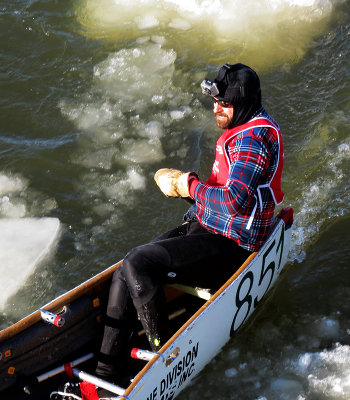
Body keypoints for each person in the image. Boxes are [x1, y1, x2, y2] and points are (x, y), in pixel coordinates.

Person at [95, 63, 284, 384]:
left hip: (235, 244)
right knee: (126, 270)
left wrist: (189, 186)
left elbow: (233, 201)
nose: (216, 108)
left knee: (139, 263)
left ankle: (164, 356)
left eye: (224, 103)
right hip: (211, 227)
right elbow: (225, 196)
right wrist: (184, 190)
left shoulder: (252, 141)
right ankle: (104, 371)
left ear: (244, 103)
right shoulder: (242, 128)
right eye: (215, 101)